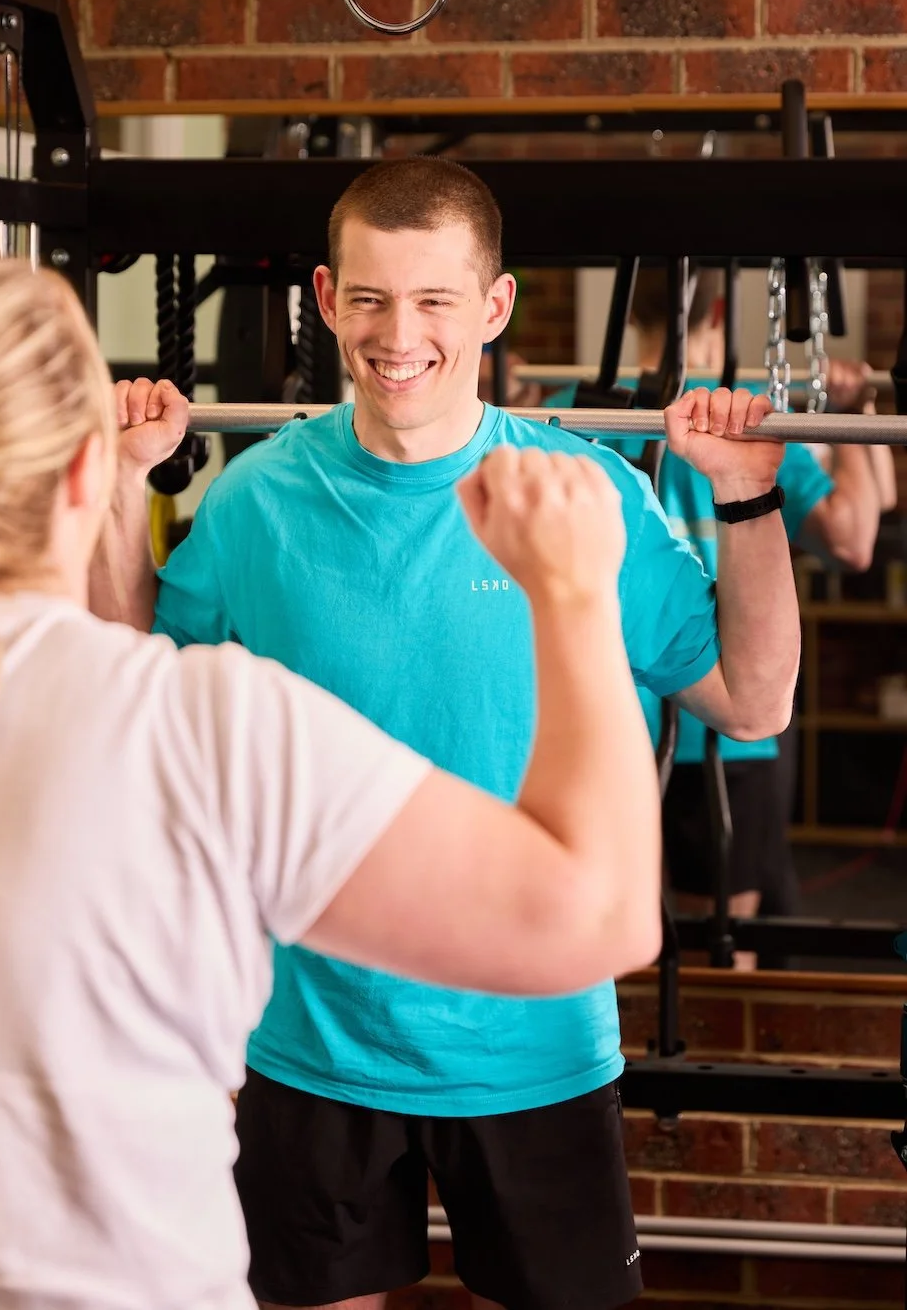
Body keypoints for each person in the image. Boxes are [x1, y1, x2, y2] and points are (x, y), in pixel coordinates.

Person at [0, 250, 674, 1310]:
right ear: (84, 474)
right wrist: (573, 592)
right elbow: (600, 917)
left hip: (515, 1068)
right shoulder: (204, 725)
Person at [95, 158, 801, 1310]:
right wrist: (122, 489)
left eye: (432, 301)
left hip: (531, 1051)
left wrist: (746, 497)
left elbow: (752, 699)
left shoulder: (583, 496)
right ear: (323, 299)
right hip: (308, 1043)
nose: (397, 335)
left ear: (493, 307)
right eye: (368, 299)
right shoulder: (254, 499)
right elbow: (127, 690)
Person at [547, 265, 896, 954]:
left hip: (607, 723)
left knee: (604, 932)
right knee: (718, 944)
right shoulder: (739, 421)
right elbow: (854, 541)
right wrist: (854, 415)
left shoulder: (559, 415)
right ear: (712, 307)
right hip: (720, 719)